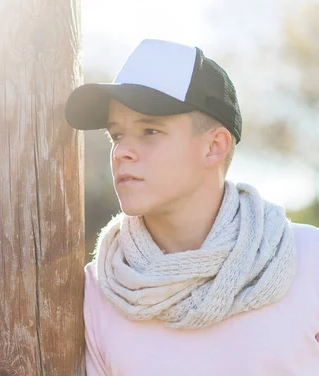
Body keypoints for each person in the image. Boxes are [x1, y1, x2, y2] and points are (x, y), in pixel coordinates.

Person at [64, 38, 319, 375]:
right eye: (117, 135)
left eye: (150, 130)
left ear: (214, 146)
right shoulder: (102, 289)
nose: (121, 151)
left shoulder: (308, 260)